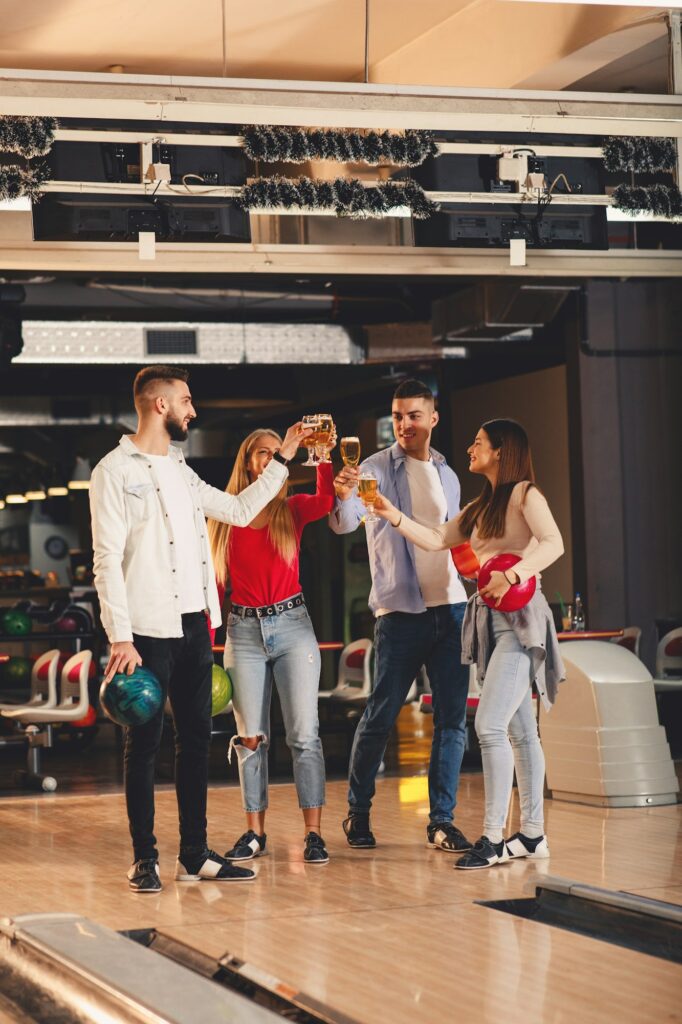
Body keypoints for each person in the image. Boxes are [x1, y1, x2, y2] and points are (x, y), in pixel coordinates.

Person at [90, 365, 307, 892]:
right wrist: (120, 635)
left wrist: (282, 461)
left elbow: (236, 509)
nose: (194, 409)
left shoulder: (182, 471)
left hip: (194, 625)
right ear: (160, 405)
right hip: (143, 630)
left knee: (195, 739)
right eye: (186, 400)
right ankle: (146, 858)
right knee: (143, 744)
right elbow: (105, 558)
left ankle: (195, 853)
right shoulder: (113, 471)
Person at [373, 418, 565, 870]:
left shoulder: (525, 495)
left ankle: (494, 838)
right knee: (519, 732)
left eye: (478, 443)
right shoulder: (481, 506)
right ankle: (533, 836)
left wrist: (514, 572)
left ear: (500, 451)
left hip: (522, 624)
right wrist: (390, 514)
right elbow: (438, 537)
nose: (469, 448)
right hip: (491, 625)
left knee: (490, 727)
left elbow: (553, 543)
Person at [330, 379, 472, 854]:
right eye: (397, 416)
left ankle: (442, 822)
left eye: (413, 415)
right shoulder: (372, 468)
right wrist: (342, 494)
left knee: (452, 721)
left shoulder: (449, 474)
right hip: (401, 613)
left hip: (452, 609)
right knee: (381, 715)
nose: (404, 424)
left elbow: (454, 538)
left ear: (433, 419)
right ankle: (358, 812)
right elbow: (344, 523)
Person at [208, 429, 335, 865]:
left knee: (304, 736)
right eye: (264, 453)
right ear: (248, 462)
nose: (272, 459)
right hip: (242, 631)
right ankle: (254, 833)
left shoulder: (290, 511)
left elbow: (325, 501)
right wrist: (207, 649)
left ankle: (313, 834)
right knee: (250, 738)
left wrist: (322, 456)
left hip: (293, 625)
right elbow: (215, 586)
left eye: (277, 453)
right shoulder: (226, 517)